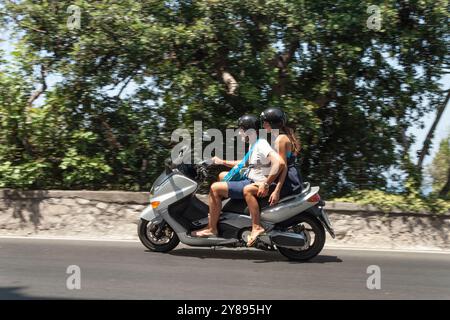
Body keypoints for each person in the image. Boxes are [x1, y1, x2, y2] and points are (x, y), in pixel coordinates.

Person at [191, 114, 286, 238]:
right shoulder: (255, 144)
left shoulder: (261, 144)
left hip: (254, 182)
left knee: (215, 188)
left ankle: (212, 228)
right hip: (249, 178)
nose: (239, 133)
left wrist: (266, 183)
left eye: (241, 130)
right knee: (222, 175)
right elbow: (242, 164)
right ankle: (221, 213)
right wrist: (221, 161)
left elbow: (279, 163)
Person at [244, 107, 303, 246]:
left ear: (273, 124)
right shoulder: (283, 137)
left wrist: (275, 189)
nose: (263, 125)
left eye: (266, 122)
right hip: (291, 177)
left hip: (288, 180)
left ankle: (256, 227)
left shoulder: (281, 139)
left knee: (247, 190)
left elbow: (283, 166)